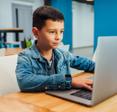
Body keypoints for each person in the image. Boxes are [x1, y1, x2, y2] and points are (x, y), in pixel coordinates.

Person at [16, 6, 95, 92]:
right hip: (39, 103)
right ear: (36, 32)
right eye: (52, 32)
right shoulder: (25, 57)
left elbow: (85, 63)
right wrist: (69, 81)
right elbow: (24, 81)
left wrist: (101, 68)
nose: (58, 37)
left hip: (61, 102)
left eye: (61, 32)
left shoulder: (63, 55)